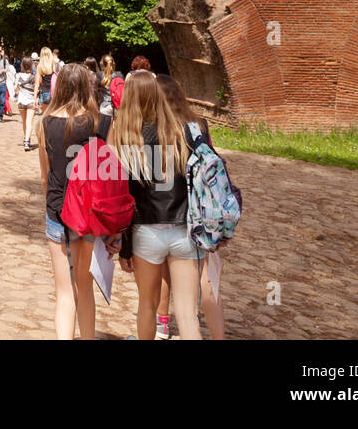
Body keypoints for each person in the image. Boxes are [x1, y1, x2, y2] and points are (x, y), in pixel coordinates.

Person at [107, 71, 205, 341]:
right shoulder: (182, 130)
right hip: (183, 227)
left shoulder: (128, 137)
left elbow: (125, 197)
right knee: (186, 313)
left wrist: (124, 246)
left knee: (147, 306)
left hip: (146, 231)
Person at [38, 62, 112, 340]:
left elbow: (45, 177)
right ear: (86, 87)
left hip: (58, 212)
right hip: (90, 216)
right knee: (85, 288)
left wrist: (51, 206)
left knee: (64, 292)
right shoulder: (101, 123)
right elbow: (111, 176)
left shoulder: (45, 123)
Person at [155, 73, 226, 339]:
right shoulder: (200, 125)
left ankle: (162, 323)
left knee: (164, 270)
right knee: (207, 276)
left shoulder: (158, 127)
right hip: (201, 210)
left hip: (169, 211)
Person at [14, 56, 40, 151]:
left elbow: (15, 89)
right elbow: (36, 90)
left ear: (22, 65)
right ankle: (27, 141)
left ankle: (26, 138)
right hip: (30, 101)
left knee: (24, 122)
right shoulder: (33, 77)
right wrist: (36, 100)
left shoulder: (18, 75)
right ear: (31, 65)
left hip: (21, 101)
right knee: (29, 122)